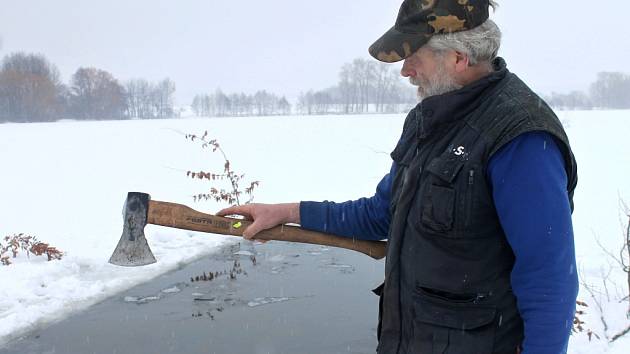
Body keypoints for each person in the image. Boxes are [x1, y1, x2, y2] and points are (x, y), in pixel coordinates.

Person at [218, 1, 579, 353]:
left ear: (458, 57)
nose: (405, 70)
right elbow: (381, 213)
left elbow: (548, 278)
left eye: (414, 56)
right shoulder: (432, 118)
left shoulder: (521, 139)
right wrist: (288, 212)